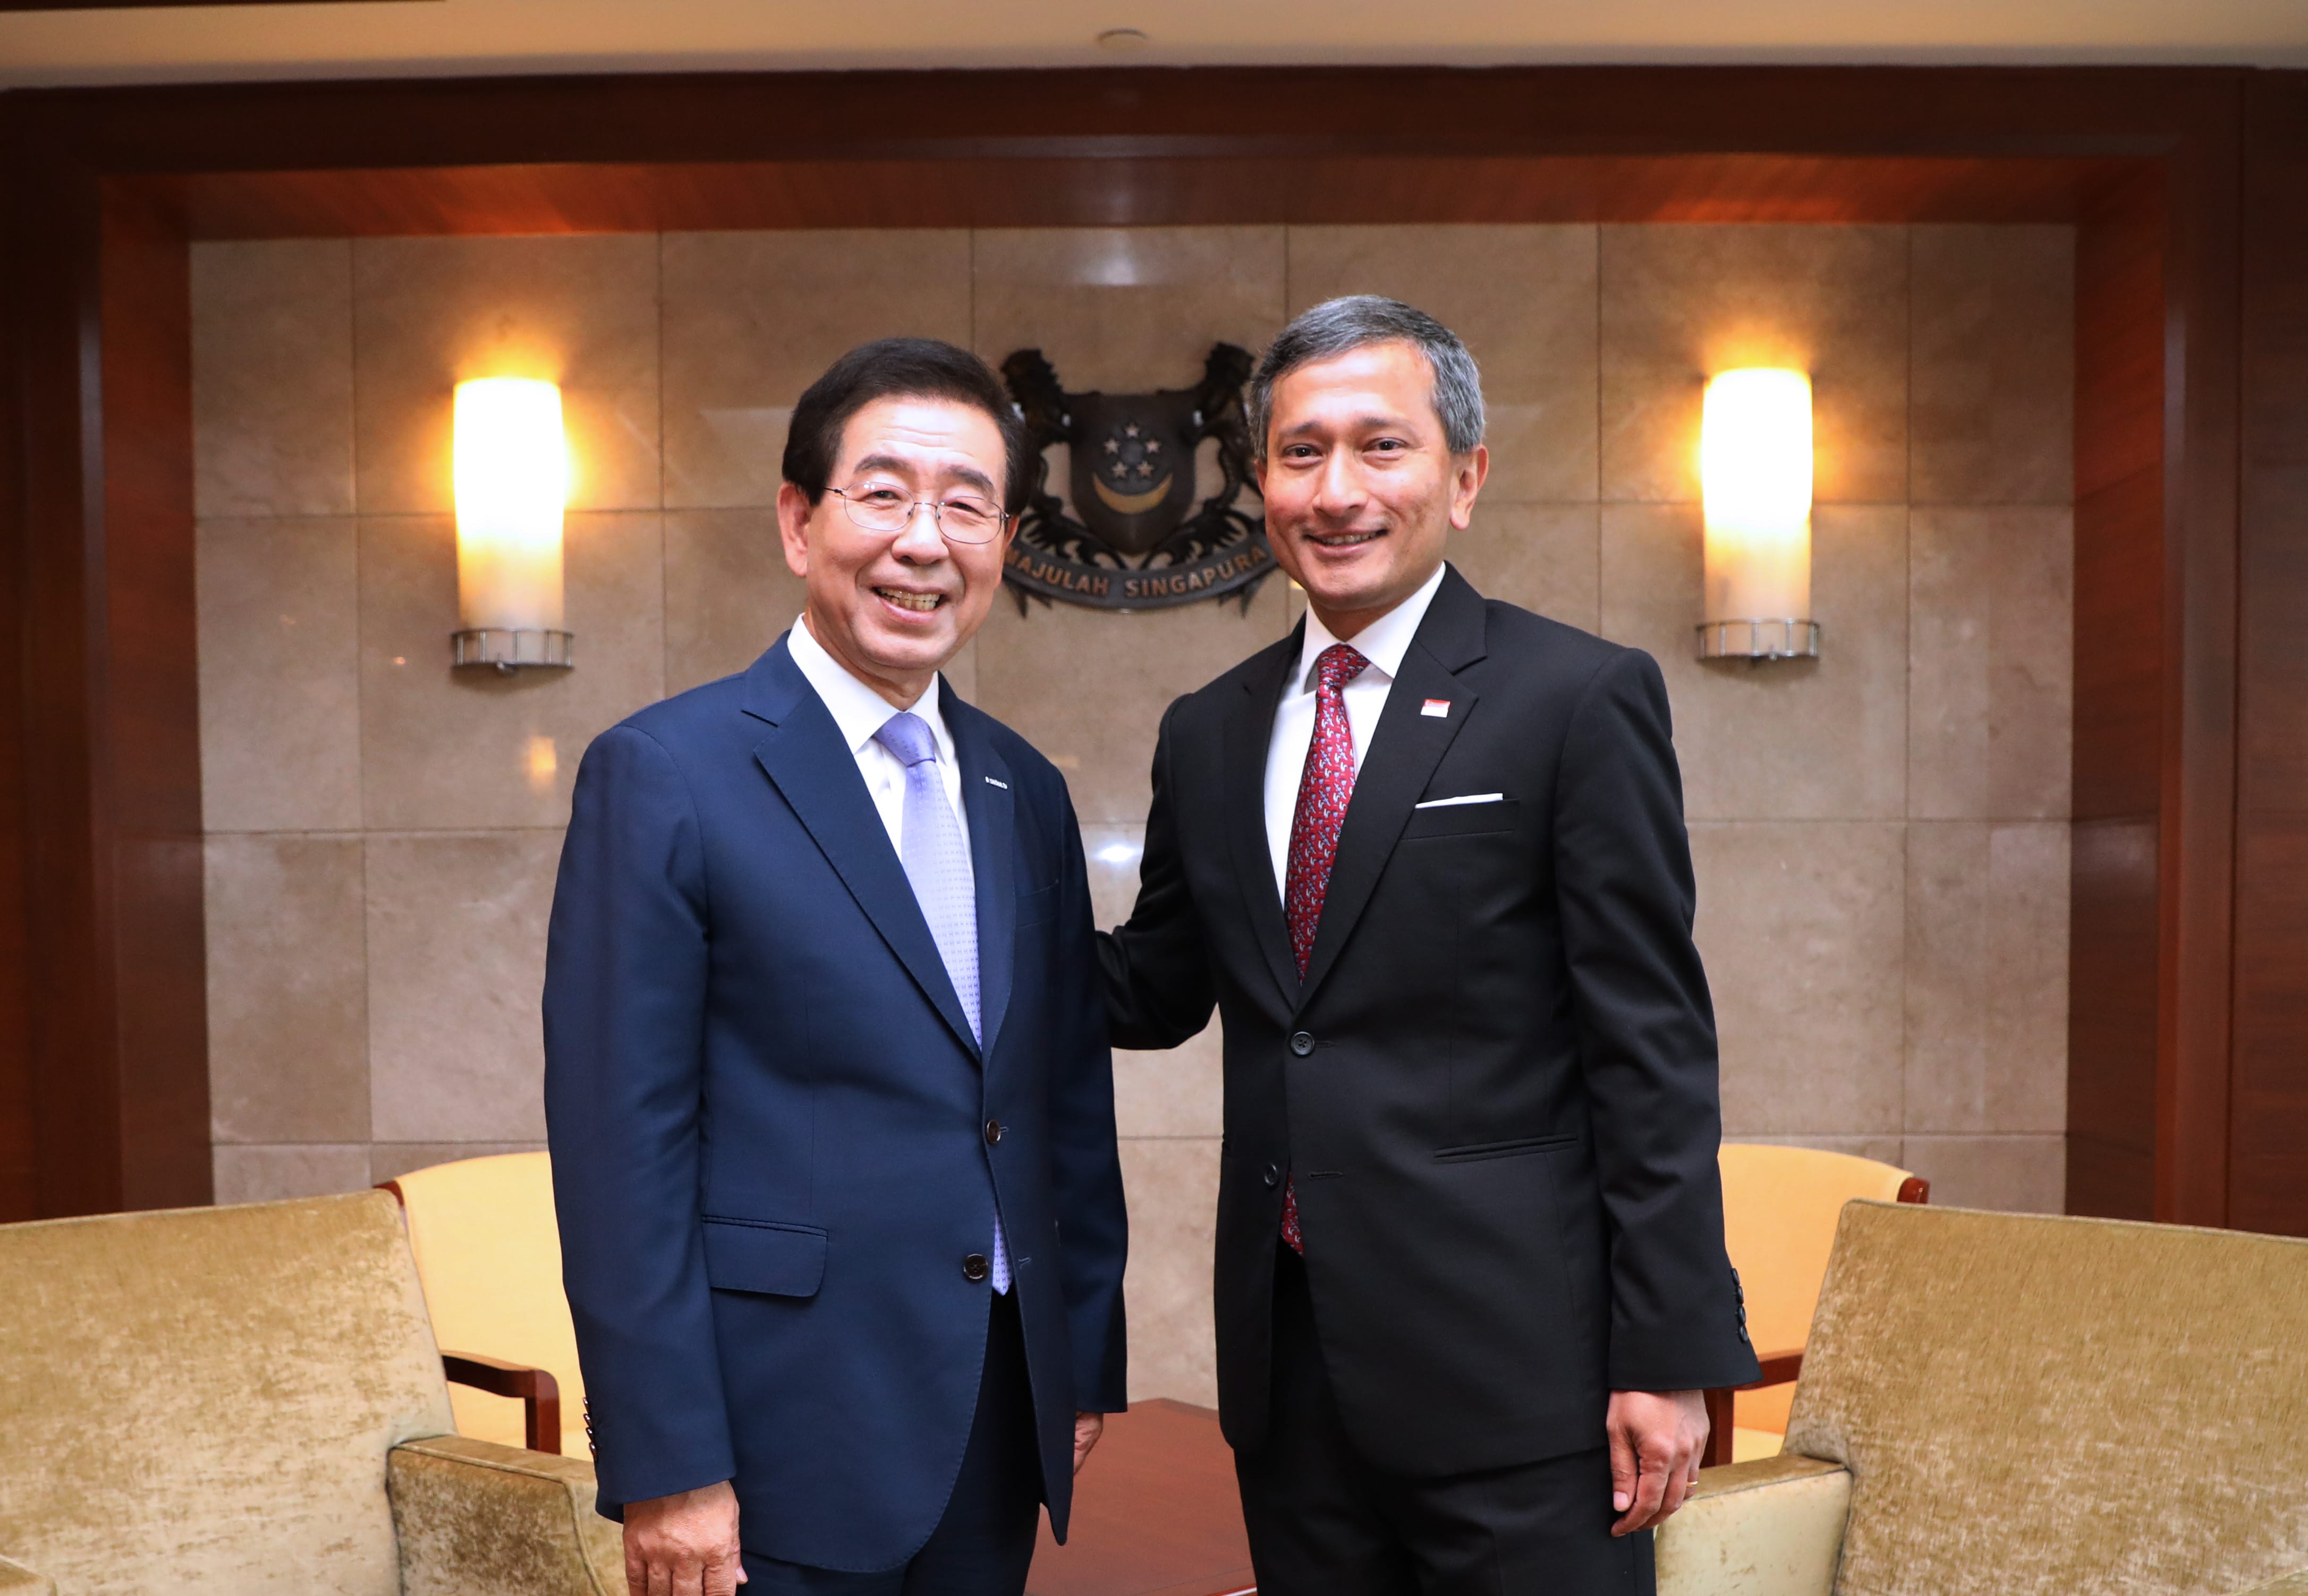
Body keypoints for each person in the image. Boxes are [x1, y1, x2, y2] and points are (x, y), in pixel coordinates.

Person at [1099, 296, 1758, 1594]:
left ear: (1465, 478)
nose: (1336, 489)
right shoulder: (1209, 729)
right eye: (1301, 452)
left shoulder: (1576, 697)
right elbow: (1158, 985)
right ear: (1262, 484)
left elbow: (1652, 1049)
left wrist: (1668, 1350)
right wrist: (940, 917)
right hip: (1292, 1380)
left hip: (1525, 1379)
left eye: (1381, 445)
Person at [545, 337, 1127, 1596]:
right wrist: (668, 1461)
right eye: (885, 493)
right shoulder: (666, 772)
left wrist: (1079, 1355)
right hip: (775, 1432)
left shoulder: (1022, 786)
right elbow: (619, 1151)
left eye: (967, 505)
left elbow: (1061, 1096)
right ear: (799, 522)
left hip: (992, 1412)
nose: (926, 541)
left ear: (1004, 542)